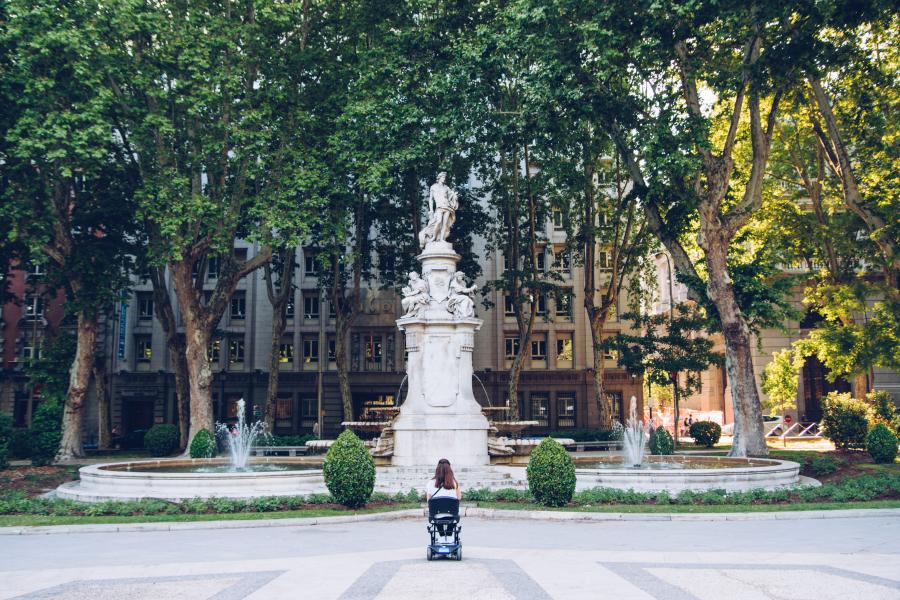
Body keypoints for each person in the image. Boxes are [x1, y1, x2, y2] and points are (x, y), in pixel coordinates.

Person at [426, 458, 462, 540]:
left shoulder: (430, 483)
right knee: (452, 514)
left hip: (436, 514)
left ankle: (442, 535)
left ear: (437, 469)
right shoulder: (454, 483)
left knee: (437, 515)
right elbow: (459, 498)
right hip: (452, 514)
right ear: (450, 470)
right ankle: (449, 535)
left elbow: (429, 500)